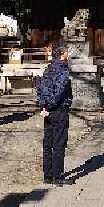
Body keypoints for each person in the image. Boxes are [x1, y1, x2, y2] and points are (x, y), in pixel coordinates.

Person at [37, 44, 72, 186]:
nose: (68, 55)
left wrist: (43, 106)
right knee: (59, 143)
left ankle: (47, 175)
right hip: (58, 110)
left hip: (47, 110)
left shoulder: (48, 69)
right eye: (67, 53)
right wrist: (50, 106)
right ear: (62, 54)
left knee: (48, 143)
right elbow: (59, 91)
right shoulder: (62, 70)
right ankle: (58, 176)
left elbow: (40, 88)